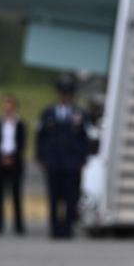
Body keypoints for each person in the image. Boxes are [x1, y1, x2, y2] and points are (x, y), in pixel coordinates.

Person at [36, 75, 89, 239]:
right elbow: (40, 137)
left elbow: (84, 138)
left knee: (70, 198)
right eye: (62, 92)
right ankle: (54, 228)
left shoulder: (79, 114)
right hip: (53, 162)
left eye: (68, 93)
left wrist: (82, 158)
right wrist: (41, 157)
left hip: (72, 163)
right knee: (54, 197)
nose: (65, 96)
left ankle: (67, 228)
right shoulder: (48, 113)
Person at [0, 95, 27, 235]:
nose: (8, 108)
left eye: (10, 105)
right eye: (6, 105)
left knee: (16, 195)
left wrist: (12, 158)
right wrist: (1, 158)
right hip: (0, 161)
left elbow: (22, 144)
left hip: (15, 162)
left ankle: (18, 225)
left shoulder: (20, 124)